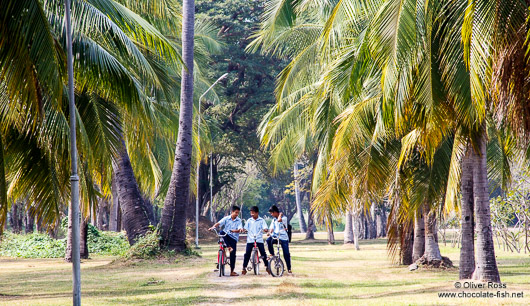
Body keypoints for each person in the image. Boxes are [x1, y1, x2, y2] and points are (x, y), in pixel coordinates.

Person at [209, 205, 243, 276]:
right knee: (221, 232)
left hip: (233, 238)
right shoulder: (226, 218)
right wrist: (213, 227)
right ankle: (228, 247)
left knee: (233, 255)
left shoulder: (239, 220)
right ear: (232, 212)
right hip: (226, 236)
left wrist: (237, 230)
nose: (237, 214)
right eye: (236, 212)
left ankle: (232, 271)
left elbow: (239, 229)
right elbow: (219, 223)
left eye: (238, 213)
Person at [242, 206, 270, 275]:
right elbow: (245, 228)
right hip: (250, 239)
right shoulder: (249, 220)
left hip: (259, 239)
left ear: (257, 213)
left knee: (263, 253)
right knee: (247, 254)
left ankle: (267, 267)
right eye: (251, 213)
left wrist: (265, 230)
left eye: (253, 213)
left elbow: (265, 227)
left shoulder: (261, 220)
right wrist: (244, 230)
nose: (252, 214)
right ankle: (244, 268)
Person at [267, 205, 292, 273]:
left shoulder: (284, 218)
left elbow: (279, 220)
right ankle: (272, 254)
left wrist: (280, 215)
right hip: (276, 236)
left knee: (286, 253)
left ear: (275, 212)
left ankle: (289, 268)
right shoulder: (273, 220)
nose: (271, 215)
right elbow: (271, 228)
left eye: (272, 213)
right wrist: (270, 232)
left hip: (283, 237)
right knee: (268, 240)